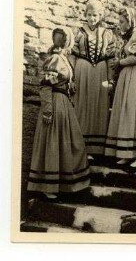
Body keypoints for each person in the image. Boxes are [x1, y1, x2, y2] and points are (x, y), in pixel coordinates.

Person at [27, 27, 90, 200]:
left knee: (69, 142)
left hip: (64, 104)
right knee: (53, 143)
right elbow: (46, 85)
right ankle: (49, 187)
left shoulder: (64, 58)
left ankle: (63, 184)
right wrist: (48, 109)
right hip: (55, 104)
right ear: (66, 42)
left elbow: (62, 81)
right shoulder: (55, 58)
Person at [104, 6, 136, 172]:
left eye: (122, 21)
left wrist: (120, 62)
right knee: (126, 111)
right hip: (127, 76)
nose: (120, 24)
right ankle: (126, 152)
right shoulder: (127, 37)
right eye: (119, 21)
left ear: (130, 21)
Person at [71, 0, 115, 156]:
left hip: (101, 72)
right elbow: (72, 57)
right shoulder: (79, 32)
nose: (92, 18)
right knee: (82, 104)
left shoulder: (107, 33)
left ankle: (96, 148)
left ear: (100, 15)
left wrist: (110, 79)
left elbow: (110, 58)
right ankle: (80, 147)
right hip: (82, 71)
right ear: (85, 14)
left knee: (99, 104)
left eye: (95, 15)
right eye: (89, 15)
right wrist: (71, 78)